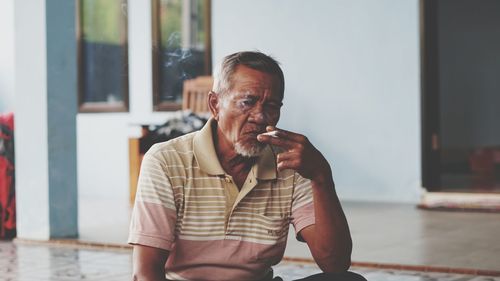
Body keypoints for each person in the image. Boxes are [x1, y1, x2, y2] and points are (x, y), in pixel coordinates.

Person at [129, 51, 366, 281]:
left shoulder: (290, 165)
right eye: (247, 102)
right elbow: (145, 273)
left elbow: (335, 264)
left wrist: (321, 175)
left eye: (272, 106)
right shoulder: (166, 161)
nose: (260, 117)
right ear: (215, 105)